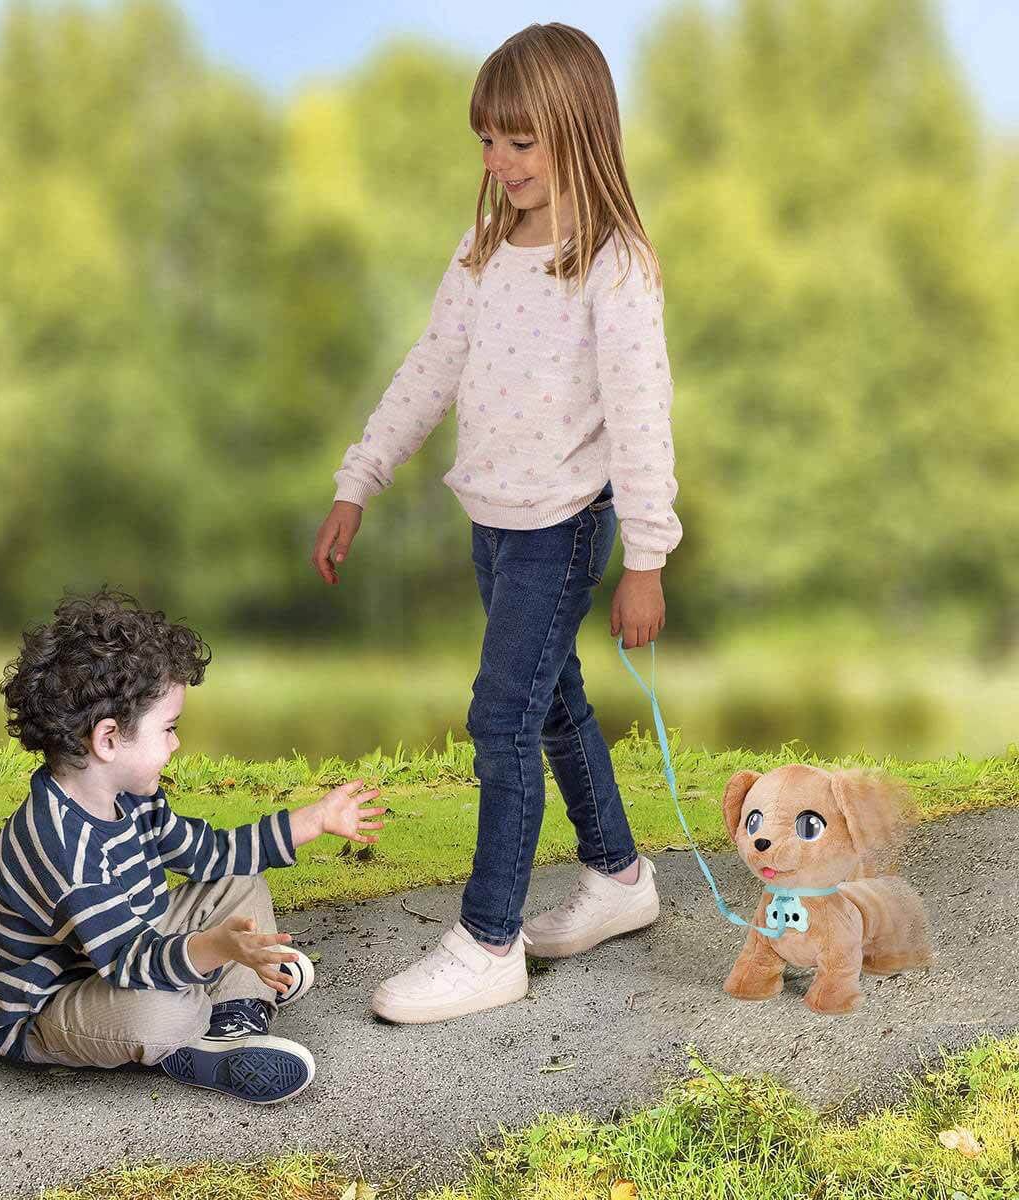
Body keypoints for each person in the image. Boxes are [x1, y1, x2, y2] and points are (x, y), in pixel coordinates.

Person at [311, 23, 680, 1023]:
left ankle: (487, 943)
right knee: (552, 703)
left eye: (521, 141)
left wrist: (647, 558)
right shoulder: (482, 252)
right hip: (493, 523)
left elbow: (642, 417)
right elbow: (429, 369)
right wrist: (358, 480)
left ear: (580, 132)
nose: (499, 162)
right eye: (487, 140)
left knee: (502, 717)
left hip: (564, 526)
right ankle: (619, 876)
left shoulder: (613, 264)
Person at [0, 587, 386, 1102]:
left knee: (238, 880)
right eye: (168, 728)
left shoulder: (132, 796)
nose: (176, 743)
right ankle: (212, 1008)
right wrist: (219, 948)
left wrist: (313, 820)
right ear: (107, 739)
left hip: (123, 947)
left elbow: (208, 855)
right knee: (162, 1011)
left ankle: (234, 1017)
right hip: (51, 1006)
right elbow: (129, 961)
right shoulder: (63, 848)